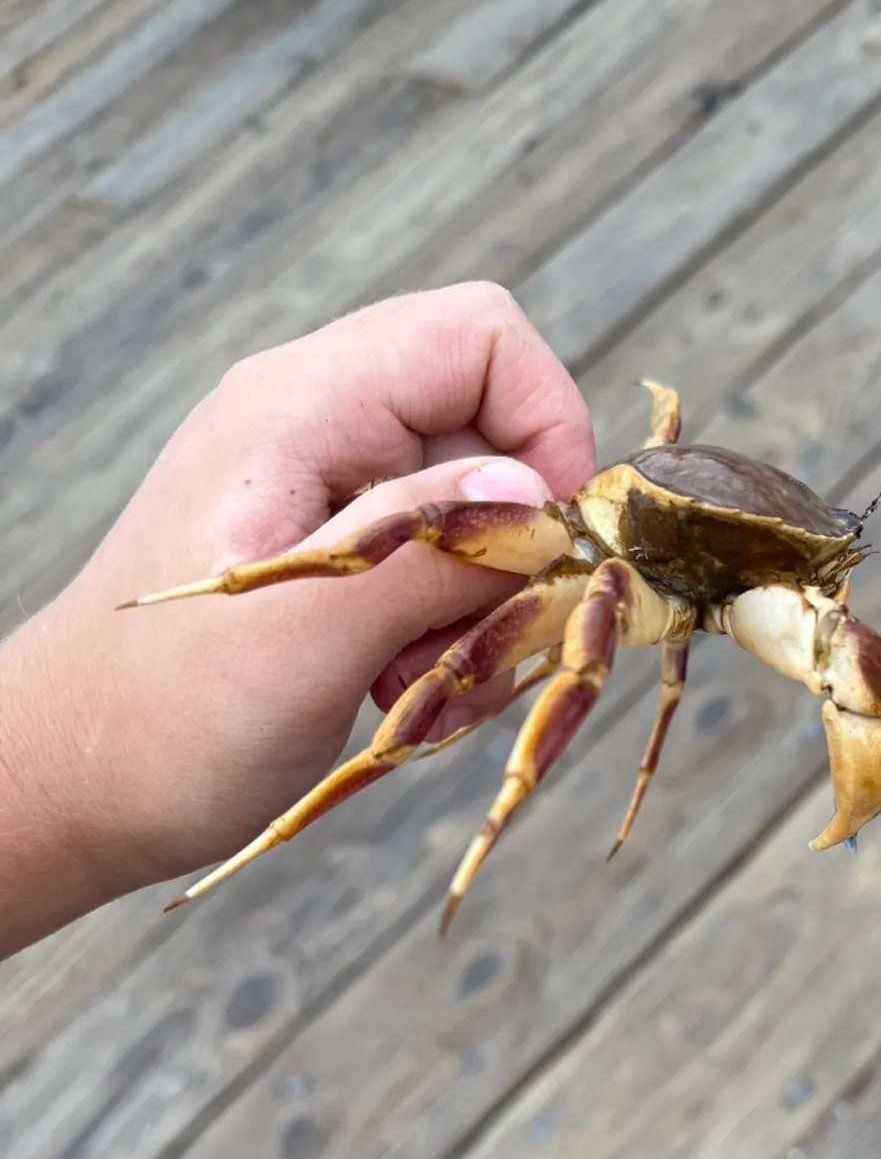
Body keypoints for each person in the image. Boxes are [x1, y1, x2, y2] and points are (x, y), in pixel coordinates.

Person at [0, 283, 597, 957]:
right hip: (580, 556)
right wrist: (62, 759)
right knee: (450, 659)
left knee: (461, 670)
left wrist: (60, 766)